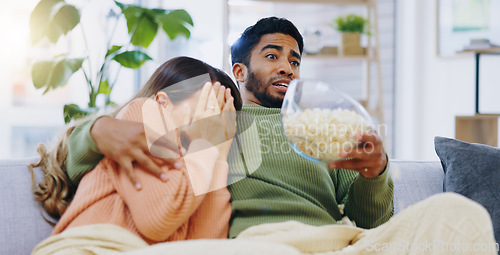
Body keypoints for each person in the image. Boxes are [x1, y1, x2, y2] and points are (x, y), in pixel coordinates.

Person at [53, 17, 496, 254]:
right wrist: (96, 128)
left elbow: (371, 223)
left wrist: (375, 173)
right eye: (273, 55)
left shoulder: (318, 126)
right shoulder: (212, 106)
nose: (288, 66)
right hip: (261, 245)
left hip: (343, 242)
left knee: (459, 214)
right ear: (239, 71)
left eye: (295, 59)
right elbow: (110, 143)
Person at [30, 56, 242, 254]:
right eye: (210, 107)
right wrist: (204, 147)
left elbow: (205, 245)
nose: (214, 123)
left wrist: (219, 156)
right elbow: (157, 219)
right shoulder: (144, 112)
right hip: (90, 246)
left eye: (224, 115)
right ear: (163, 102)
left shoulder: (201, 161)